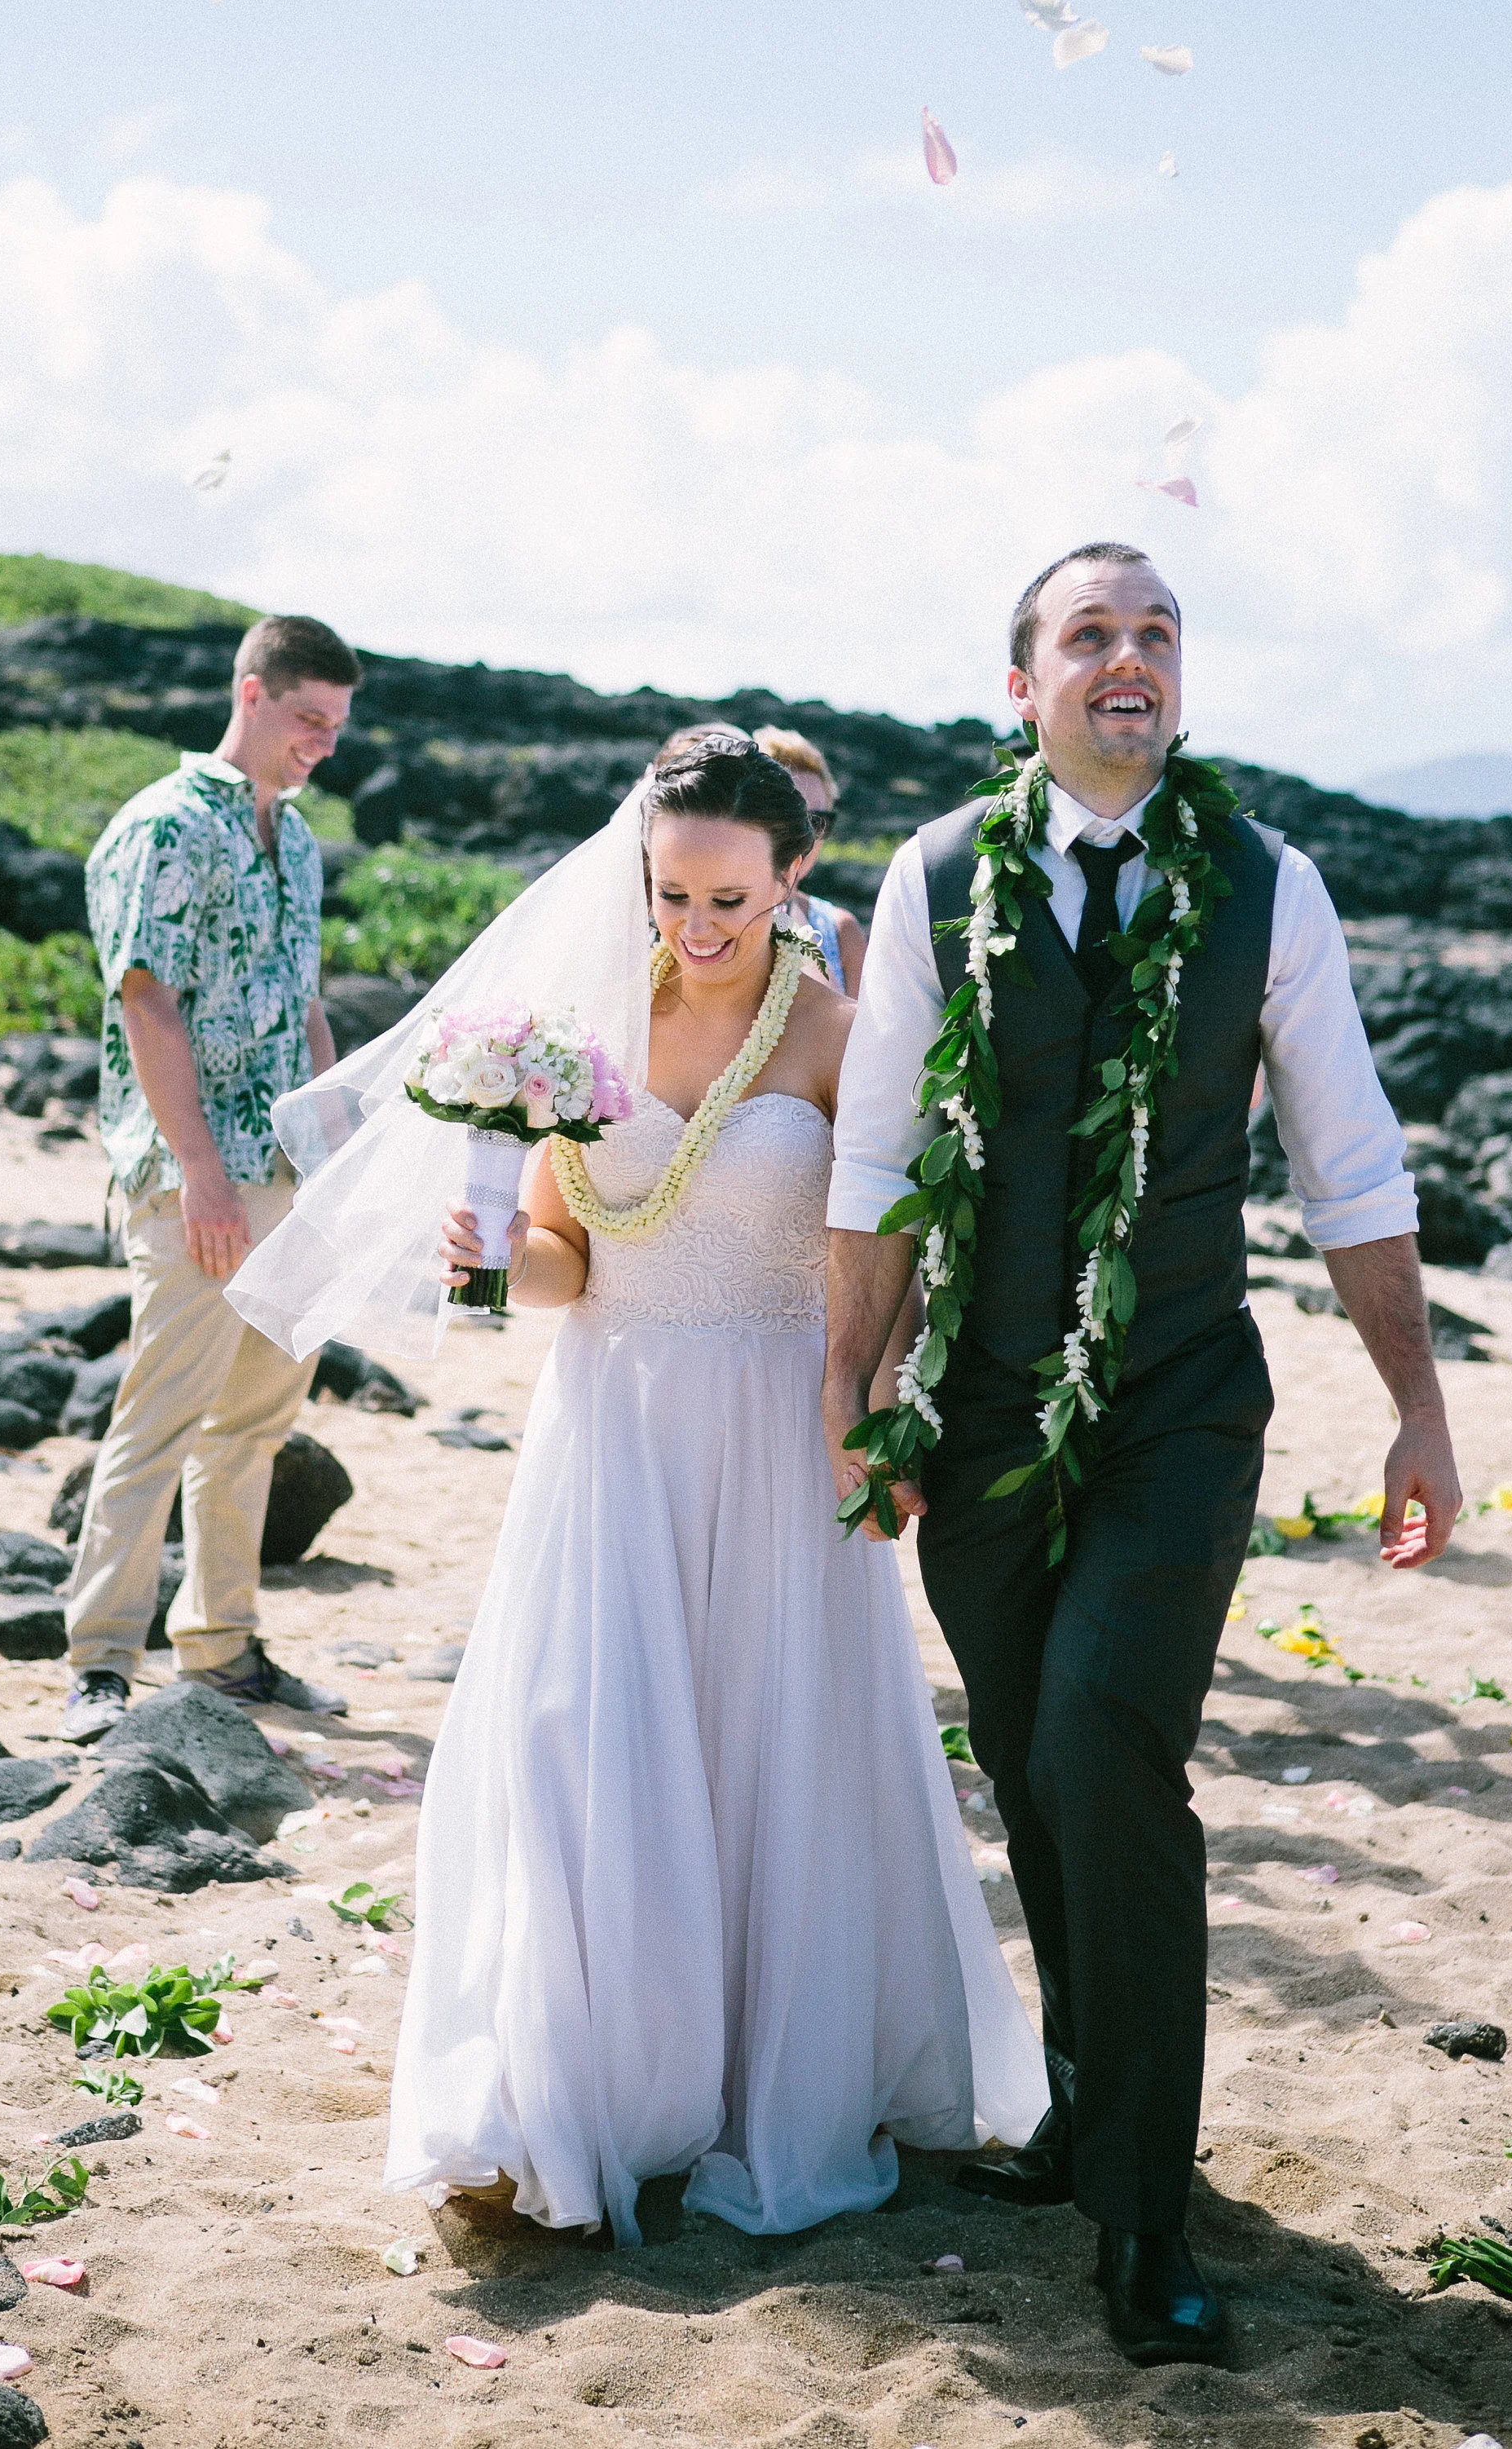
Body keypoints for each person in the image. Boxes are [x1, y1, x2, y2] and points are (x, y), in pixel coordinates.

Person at [231, 736, 1045, 2240]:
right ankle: (602, 2079)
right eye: (671, 894)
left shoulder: (839, 1033)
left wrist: (877, 1408)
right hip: (609, 1425)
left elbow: (899, 1251)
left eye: (730, 895)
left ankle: (761, 2078)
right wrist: (488, 1267)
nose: (696, 927)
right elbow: (562, 1261)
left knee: (768, 1751)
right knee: (577, 1745)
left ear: (793, 874)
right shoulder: (580, 1032)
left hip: (772, 1426)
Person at [822, 545, 1463, 2367]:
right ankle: (1088, 2099)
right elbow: (874, 1160)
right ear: (1018, 683)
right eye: (1086, 634)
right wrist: (851, 1398)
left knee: (1107, 1734)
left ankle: (1144, 2211)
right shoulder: (940, 870)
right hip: (976, 1399)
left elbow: (1344, 1163)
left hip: (1179, 1393)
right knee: (1030, 1758)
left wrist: (1412, 1403)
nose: (1128, 659)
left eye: (1155, 633)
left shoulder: (1268, 884)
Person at [59, 613, 364, 1744]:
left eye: (336, 727)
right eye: (307, 720)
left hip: (287, 1167)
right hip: (196, 1174)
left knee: (255, 1424)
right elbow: (146, 998)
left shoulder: (298, 841)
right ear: (251, 695)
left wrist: (338, 1154)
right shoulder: (166, 828)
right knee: (162, 1414)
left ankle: (222, 1645)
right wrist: (202, 1175)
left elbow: (306, 1003)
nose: (322, 744)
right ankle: (99, 1659)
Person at [753, 725, 867, 995]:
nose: (805, 835)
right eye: (788, 816)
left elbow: (860, 1036)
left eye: (818, 821)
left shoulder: (841, 932)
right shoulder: (707, 924)